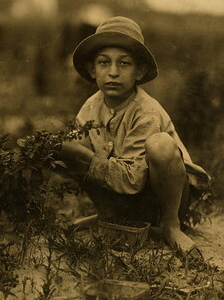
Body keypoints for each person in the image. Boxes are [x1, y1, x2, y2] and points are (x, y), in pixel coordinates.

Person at [58, 16, 211, 255]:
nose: (113, 73)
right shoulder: (90, 107)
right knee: (70, 143)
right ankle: (106, 215)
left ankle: (171, 227)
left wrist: (81, 156)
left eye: (124, 64)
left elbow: (132, 181)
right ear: (92, 69)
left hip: (160, 200)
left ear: (139, 71)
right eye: (103, 63)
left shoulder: (146, 112)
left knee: (160, 144)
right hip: (120, 199)